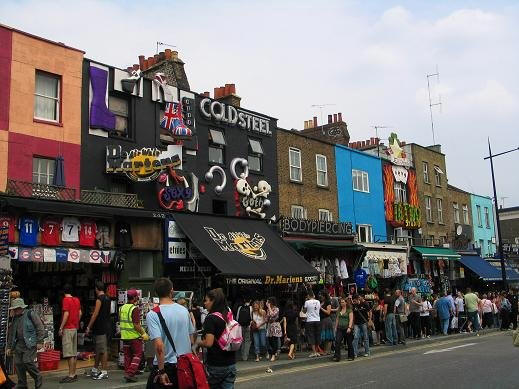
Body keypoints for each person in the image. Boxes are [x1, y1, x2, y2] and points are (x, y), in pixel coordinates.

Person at [146, 278, 196, 389]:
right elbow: (191, 340)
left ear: (156, 293)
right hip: (184, 366)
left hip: (166, 366)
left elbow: (159, 346)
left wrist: (161, 371)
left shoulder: (153, 314)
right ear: (172, 291)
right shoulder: (184, 311)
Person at [197, 288, 237, 389]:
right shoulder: (228, 313)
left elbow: (209, 343)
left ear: (213, 301)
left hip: (216, 365)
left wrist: (197, 342)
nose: (204, 303)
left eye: (206, 300)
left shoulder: (211, 318)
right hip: (231, 363)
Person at [6, 298, 45, 389]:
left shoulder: (30, 314)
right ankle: (22, 383)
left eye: (16, 309)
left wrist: (39, 341)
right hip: (19, 343)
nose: (15, 310)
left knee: (27, 361)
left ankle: (37, 377)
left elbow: (40, 328)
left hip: (30, 343)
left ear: (21, 308)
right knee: (18, 363)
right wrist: (9, 347)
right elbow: (12, 334)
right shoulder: (15, 318)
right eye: (14, 309)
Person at [120, 289, 149, 383]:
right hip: (134, 337)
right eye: (137, 296)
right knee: (138, 354)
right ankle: (130, 373)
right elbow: (136, 325)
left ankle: (127, 373)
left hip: (125, 337)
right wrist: (143, 333)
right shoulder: (134, 309)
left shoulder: (122, 308)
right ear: (135, 297)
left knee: (127, 356)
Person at [85, 281, 111, 380]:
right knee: (98, 349)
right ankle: (95, 369)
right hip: (106, 325)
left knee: (102, 350)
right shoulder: (108, 298)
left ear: (96, 289)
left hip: (100, 327)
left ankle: (104, 372)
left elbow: (95, 314)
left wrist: (88, 327)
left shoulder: (99, 299)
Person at [58, 284, 82, 383]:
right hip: (74, 328)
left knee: (69, 354)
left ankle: (71, 375)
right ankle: (74, 373)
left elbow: (66, 313)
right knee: (74, 353)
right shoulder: (76, 300)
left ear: (64, 292)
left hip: (68, 329)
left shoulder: (65, 300)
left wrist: (61, 327)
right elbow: (80, 313)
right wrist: (76, 322)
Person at [332, 298, 354, 362]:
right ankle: (337, 356)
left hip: (347, 328)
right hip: (340, 328)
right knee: (337, 342)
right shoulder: (339, 310)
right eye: (341, 302)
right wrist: (335, 328)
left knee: (349, 343)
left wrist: (349, 327)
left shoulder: (349, 310)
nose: (342, 303)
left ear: (346, 303)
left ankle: (351, 356)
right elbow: (337, 319)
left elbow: (351, 319)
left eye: (343, 302)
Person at [302, 289, 321, 358]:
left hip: (310, 320)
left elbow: (304, 311)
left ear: (308, 296)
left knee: (311, 336)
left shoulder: (307, 302)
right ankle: (316, 351)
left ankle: (314, 352)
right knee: (317, 335)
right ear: (314, 295)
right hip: (317, 320)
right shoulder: (318, 301)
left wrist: (304, 306)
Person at [235, 297, 253, 362]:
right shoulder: (251, 308)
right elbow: (251, 317)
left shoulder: (240, 307)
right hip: (248, 326)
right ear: (250, 300)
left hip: (240, 326)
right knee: (247, 340)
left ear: (244, 300)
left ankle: (242, 354)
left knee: (242, 340)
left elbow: (237, 318)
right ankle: (245, 356)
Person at [265, 297, 282, 361]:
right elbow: (267, 318)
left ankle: (273, 355)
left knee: (274, 340)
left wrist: (269, 307)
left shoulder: (276, 309)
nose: (267, 303)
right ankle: (273, 352)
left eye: (268, 302)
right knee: (270, 341)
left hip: (275, 326)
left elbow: (272, 315)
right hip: (269, 326)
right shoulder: (268, 309)